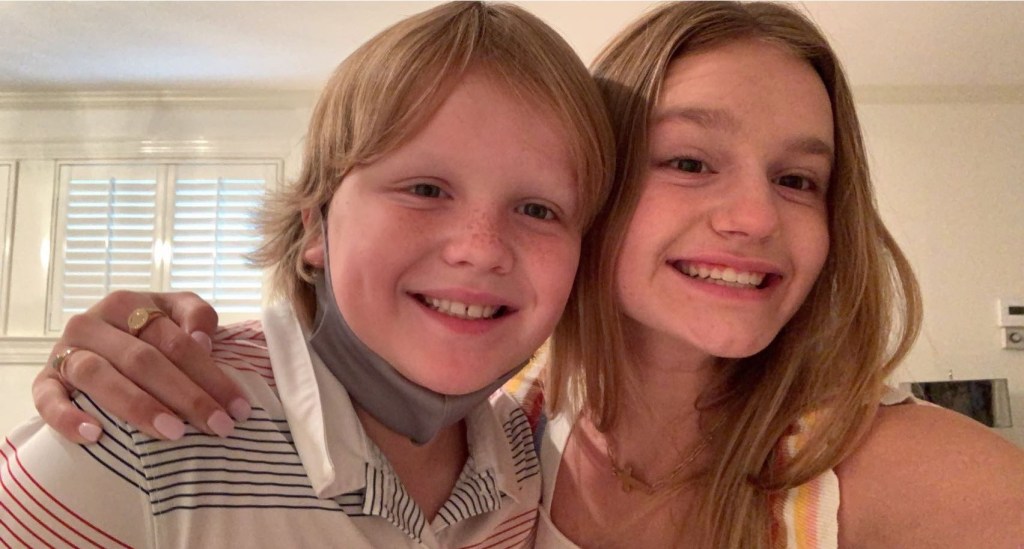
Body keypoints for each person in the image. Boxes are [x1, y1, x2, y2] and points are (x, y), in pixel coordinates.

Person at [25, 2, 1024, 548]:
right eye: (688, 160)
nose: (757, 216)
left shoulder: (898, 473)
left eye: (800, 179)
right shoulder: (517, 432)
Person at [0, 2, 615, 547]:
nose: (481, 250)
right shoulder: (142, 432)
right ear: (317, 228)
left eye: (538, 210)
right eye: (425, 189)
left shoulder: (525, 463)